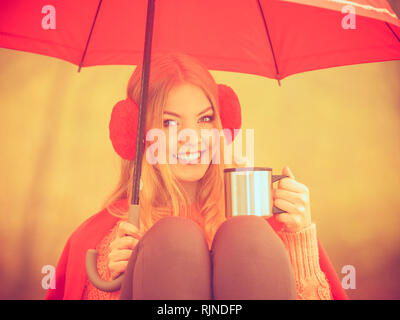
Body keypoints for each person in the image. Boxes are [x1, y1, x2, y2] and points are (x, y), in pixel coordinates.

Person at [45, 52, 348, 300]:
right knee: (173, 240)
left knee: (248, 235)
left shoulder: (264, 213)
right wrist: (116, 283)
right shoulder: (109, 235)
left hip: (253, 230)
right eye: (169, 122)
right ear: (136, 134)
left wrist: (300, 239)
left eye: (205, 119)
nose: (192, 138)